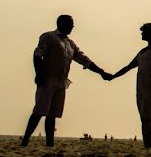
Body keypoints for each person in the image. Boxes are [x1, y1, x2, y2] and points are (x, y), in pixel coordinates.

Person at [20, 15, 110, 147]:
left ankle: (49, 143)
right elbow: (37, 55)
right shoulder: (49, 37)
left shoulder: (70, 43)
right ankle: (25, 140)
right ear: (61, 23)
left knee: (53, 114)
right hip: (47, 78)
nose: (72, 27)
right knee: (39, 110)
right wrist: (38, 74)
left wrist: (101, 72)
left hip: (61, 81)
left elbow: (84, 60)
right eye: (70, 24)